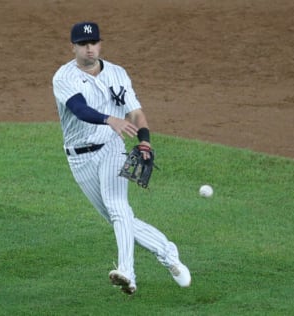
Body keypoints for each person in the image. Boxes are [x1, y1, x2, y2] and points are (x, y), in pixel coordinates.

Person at [52, 21, 191, 295]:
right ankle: (168, 252)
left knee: (118, 207)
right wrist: (109, 119)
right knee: (116, 217)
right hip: (79, 158)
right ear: (74, 47)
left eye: (94, 43)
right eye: (83, 44)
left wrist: (144, 140)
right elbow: (79, 109)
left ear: (100, 44)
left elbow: (136, 113)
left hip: (111, 147)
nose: (89, 49)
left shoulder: (117, 73)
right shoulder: (63, 77)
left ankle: (127, 272)